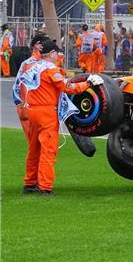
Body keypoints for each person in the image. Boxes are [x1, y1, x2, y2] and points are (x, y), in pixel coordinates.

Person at [17, 40, 103, 195]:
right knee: (48, 151)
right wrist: (88, 83)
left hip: (31, 111)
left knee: (34, 149)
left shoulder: (31, 66)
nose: (58, 55)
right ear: (51, 54)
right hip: (46, 113)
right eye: (57, 53)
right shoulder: (50, 70)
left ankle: (29, 183)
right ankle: (45, 187)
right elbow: (67, 87)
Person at [13, 34, 49, 140]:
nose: (44, 45)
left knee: (42, 144)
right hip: (28, 106)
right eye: (41, 43)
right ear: (34, 46)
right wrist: (23, 105)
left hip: (39, 107)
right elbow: (19, 86)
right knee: (35, 144)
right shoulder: (29, 63)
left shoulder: (45, 63)